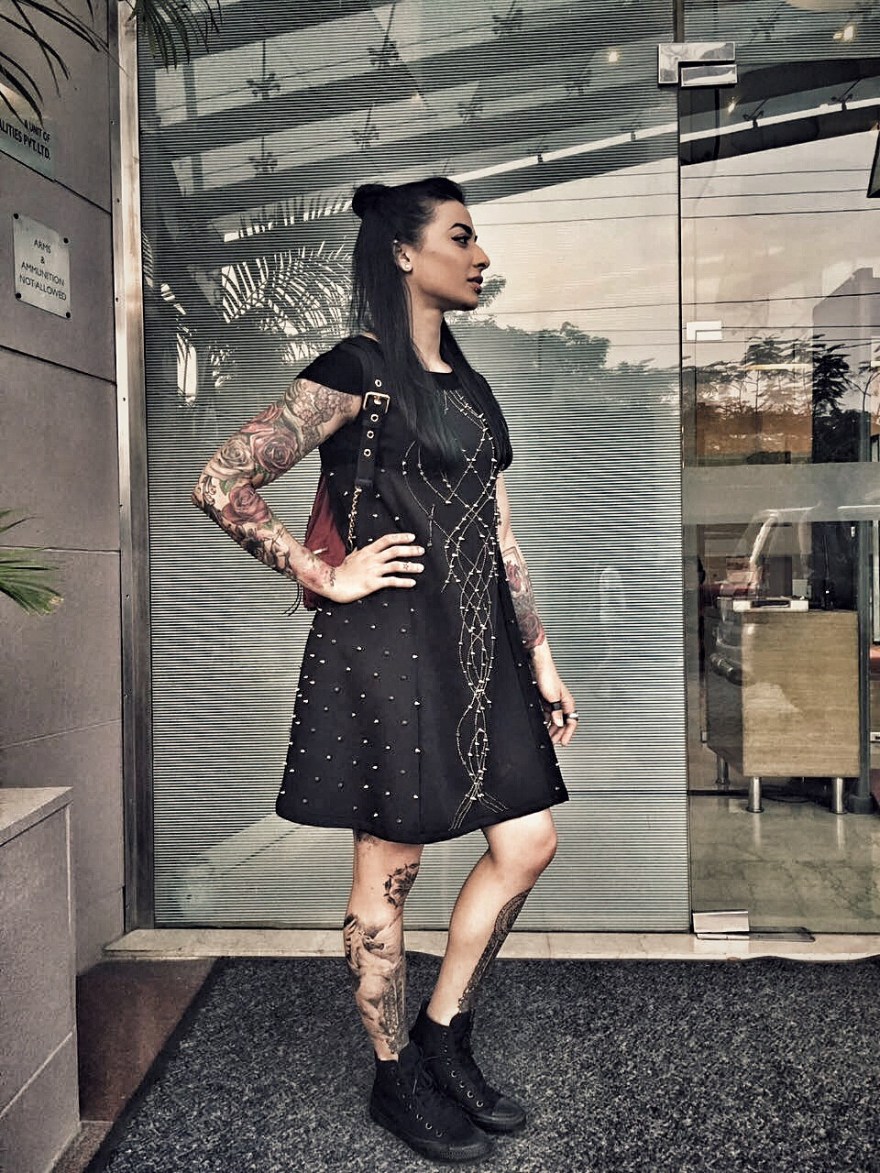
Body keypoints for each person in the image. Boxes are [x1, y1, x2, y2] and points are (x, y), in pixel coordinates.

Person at [193, 176, 577, 1164]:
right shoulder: (353, 371)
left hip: (479, 650)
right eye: (462, 237)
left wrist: (539, 654)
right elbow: (222, 480)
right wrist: (324, 572)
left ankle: (443, 1031)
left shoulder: (473, 389)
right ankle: (394, 1072)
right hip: (386, 652)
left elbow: (500, 536)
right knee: (390, 871)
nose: (481, 257)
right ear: (406, 253)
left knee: (527, 841)